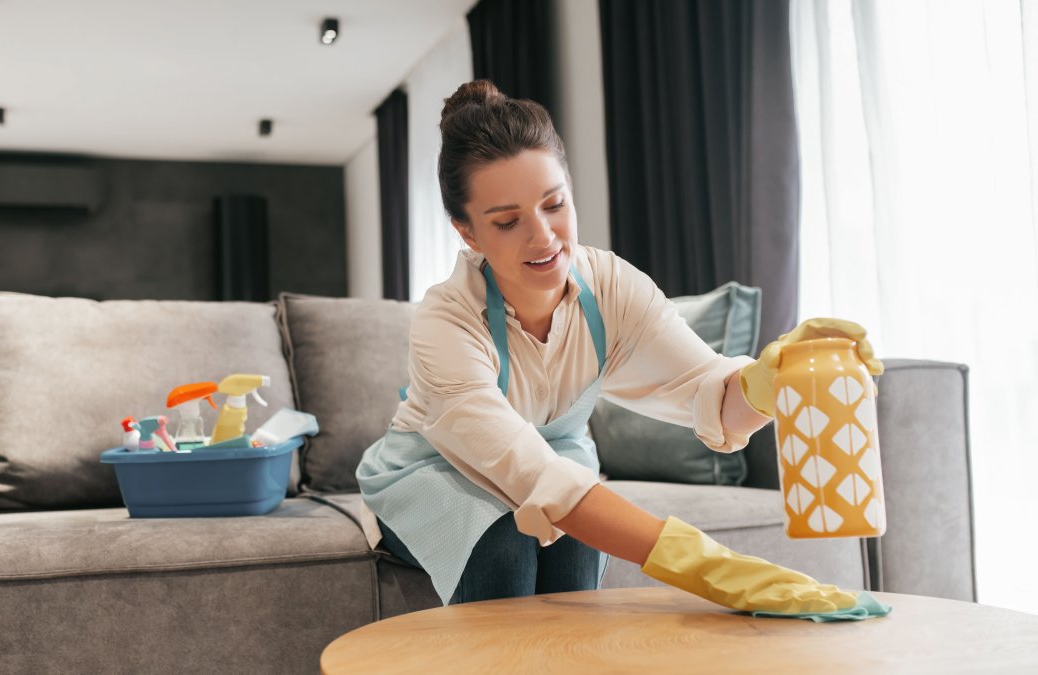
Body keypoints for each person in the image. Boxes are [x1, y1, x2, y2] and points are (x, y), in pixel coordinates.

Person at [356, 79, 886, 618]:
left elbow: (713, 396)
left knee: (575, 540)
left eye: (554, 204)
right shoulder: (446, 321)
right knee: (505, 543)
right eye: (508, 222)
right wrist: (710, 569)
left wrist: (772, 379)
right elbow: (531, 474)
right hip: (435, 474)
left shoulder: (610, 287)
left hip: (554, 463)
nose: (543, 237)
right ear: (467, 233)